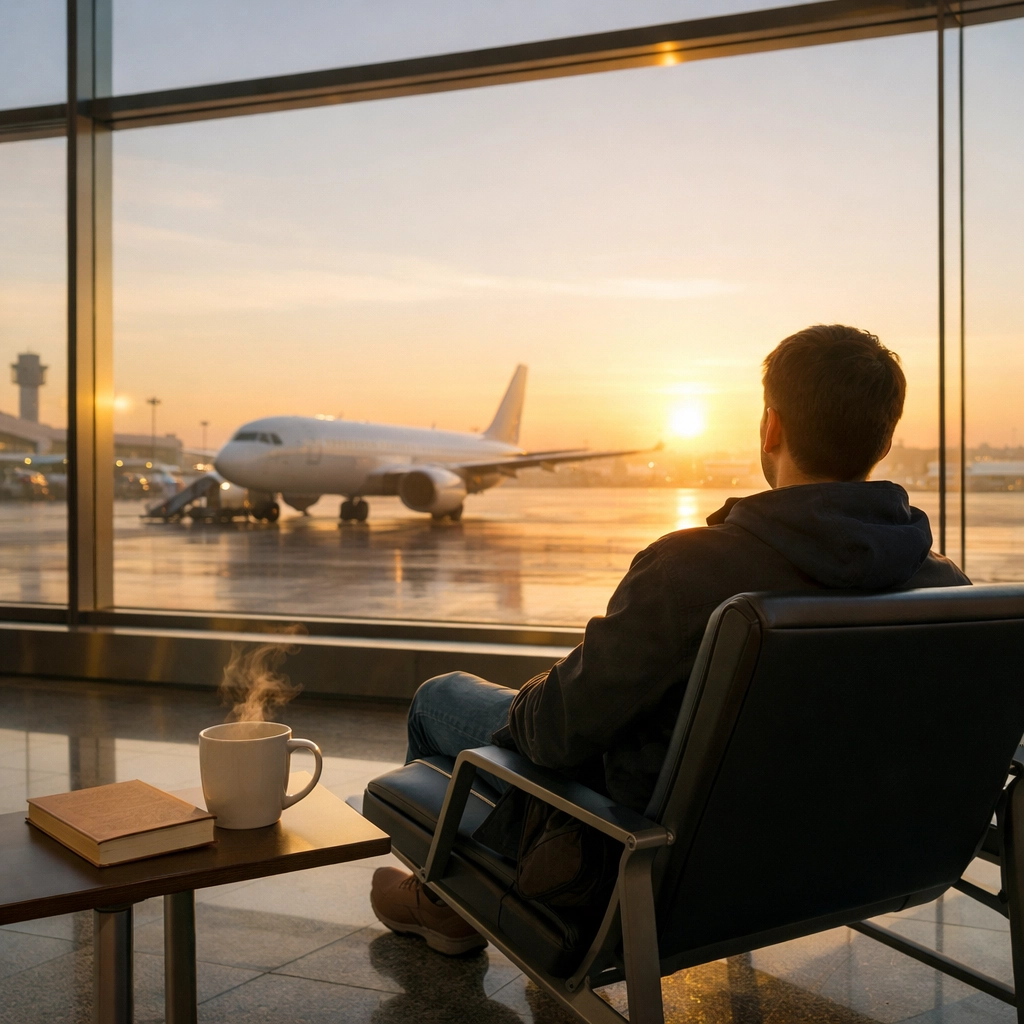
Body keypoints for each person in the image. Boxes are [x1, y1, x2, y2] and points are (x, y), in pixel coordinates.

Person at [370, 324, 970, 954]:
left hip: (651, 866)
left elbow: (554, 733)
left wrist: (545, 692)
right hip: (846, 868)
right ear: (884, 436)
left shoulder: (690, 571)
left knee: (441, 699)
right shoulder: (948, 590)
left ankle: (447, 905)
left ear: (771, 427)